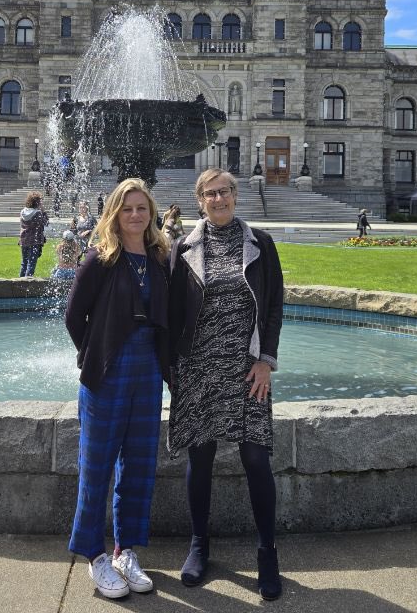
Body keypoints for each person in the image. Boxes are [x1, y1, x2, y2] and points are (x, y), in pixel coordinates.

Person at [168, 167, 284, 601]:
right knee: (201, 458)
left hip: (248, 370)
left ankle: (267, 554)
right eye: (209, 194)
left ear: (236, 196)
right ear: (199, 201)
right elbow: (174, 312)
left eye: (224, 192)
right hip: (199, 369)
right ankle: (199, 545)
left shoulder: (261, 244)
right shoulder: (183, 247)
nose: (218, 200)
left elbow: (274, 306)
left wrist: (266, 362)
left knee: (256, 459)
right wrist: (173, 370)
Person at [64, 178, 170, 600]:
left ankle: (126, 549)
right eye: (127, 209)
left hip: (147, 369)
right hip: (108, 369)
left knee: (140, 463)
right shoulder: (101, 257)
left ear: (151, 213)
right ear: (114, 213)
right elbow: (74, 315)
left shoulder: (161, 256)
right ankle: (94, 554)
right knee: (97, 465)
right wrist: (94, 354)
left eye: (142, 208)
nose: (135, 215)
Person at [19, 192, 49, 277]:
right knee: (31, 263)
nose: (41, 203)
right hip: (34, 241)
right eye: (40, 201)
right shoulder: (38, 213)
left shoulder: (22, 212)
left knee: (24, 262)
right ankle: (27, 283)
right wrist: (43, 211)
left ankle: (20, 281)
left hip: (24, 240)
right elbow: (46, 223)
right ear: (37, 202)